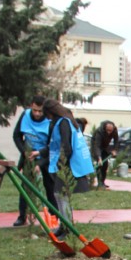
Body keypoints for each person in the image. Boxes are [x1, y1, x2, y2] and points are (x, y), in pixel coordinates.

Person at [42, 99, 94, 236]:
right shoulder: (65, 120)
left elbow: (67, 147)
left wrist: (61, 165)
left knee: (61, 195)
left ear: (50, 112)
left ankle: (67, 226)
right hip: (66, 163)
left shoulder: (63, 123)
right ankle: (64, 225)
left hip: (68, 164)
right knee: (60, 195)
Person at [11, 95, 53, 226]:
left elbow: (53, 146)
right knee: (26, 188)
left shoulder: (50, 120)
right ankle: (22, 216)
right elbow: (16, 136)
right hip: (29, 157)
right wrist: (24, 151)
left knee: (49, 187)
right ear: (31, 106)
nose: (37, 114)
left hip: (46, 158)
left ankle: (54, 216)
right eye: (35, 110)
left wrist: (40, 163)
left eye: (40, 111)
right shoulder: (25, 116)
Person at [91, 120, 119, 190]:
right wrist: (99, 158)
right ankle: (99, 183)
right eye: (107, 130)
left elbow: (116, 141)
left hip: (105, 147)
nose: (109, 132)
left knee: (105, 165)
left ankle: (103, 182)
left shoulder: (114, 131)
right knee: (99, 165)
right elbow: (97, 146)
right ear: (105, 128)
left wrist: (114, 150)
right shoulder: (99, 132)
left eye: (110, 131)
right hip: (96, 146)